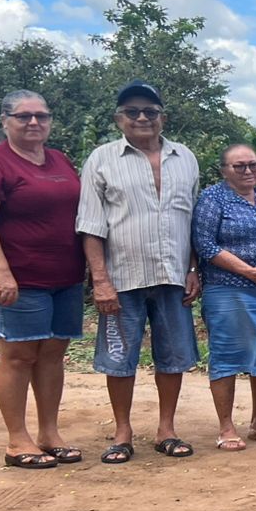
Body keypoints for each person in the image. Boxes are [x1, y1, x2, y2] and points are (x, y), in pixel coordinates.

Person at [76, 81, 201, 464]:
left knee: (174, 356)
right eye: (132, 111)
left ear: (163, 117)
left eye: (150, 111)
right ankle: (122, 433)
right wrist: (100, 280)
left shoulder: (185, 158)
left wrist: (193, 268)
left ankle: (167, 430)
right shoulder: (102, 159)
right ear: (119, 118)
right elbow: (90, 225)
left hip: (173, 276)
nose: (142, 117)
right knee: (119, 357)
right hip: (121, 278)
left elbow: (191, 220)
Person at [0, 90, 85, 469]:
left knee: (52, 355)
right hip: (18, 279)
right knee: (18, 356)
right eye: (23, 116)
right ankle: (17, 440)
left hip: (65, 277)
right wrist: (1, 272)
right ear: (5, 121)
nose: (34, 122)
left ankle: (49, 433)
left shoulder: (59, 159)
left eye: (41, 116)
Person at [191, 144, 256, 450]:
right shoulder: (213, 198)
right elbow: (205, 245)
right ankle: (226, 428)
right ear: (224, 170)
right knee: (227, 354)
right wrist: (250, 272)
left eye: (253, 164)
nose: (248, 171)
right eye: (239, 166)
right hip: (229, 289)